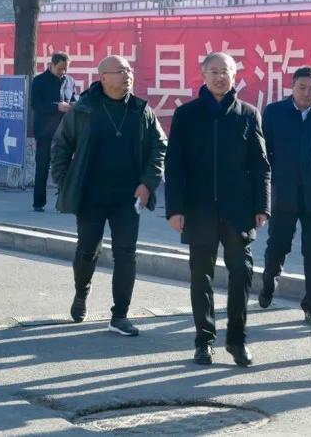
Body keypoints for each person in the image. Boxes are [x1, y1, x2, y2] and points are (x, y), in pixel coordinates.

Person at [165, 52, 270, 367]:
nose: (220, 77)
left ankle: (237, 340)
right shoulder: (186, 115)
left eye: (225, 71)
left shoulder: (248, 114)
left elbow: (260, 166)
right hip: (198, 210)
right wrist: (175, 209)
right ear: (202, 74)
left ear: (235, 74)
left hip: (238, 211)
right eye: (214, 71)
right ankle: (204, 340)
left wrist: (262, 207)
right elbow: (175, 165)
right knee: (201, 276)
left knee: (242, 273)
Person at [51, 55, 167, 336]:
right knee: (87, 250)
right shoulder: (83, 110)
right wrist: (67, 182)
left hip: (128, 197)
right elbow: (61, 147)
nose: (127, 75)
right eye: (120, 71)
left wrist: (148, 183)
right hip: (91, 195)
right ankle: (81, 292)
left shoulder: (141, 110)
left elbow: (159, 146)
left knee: (126, 253)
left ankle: (120, 315)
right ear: (103, 77)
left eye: (129, 70)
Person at [258, 65, 311, 325]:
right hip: (283, 192)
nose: (307, 93)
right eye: (302, 87)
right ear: (292, 87)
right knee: (278, 245)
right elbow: (265, 152)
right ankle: (268, 285)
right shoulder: (275, 112)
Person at [31, 52, 76, 212]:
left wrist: (73, 106)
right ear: (51, 65)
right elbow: (36, 104)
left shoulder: (70, 81)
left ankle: (63, 202)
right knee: (42, 167)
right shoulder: (39, 81)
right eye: (60, 69)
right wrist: (56, 106)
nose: (63, 72)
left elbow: (73, 99)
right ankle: (39, 202)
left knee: (66, 168)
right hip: (45, 132)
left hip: (65, 133)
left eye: (65, 69)